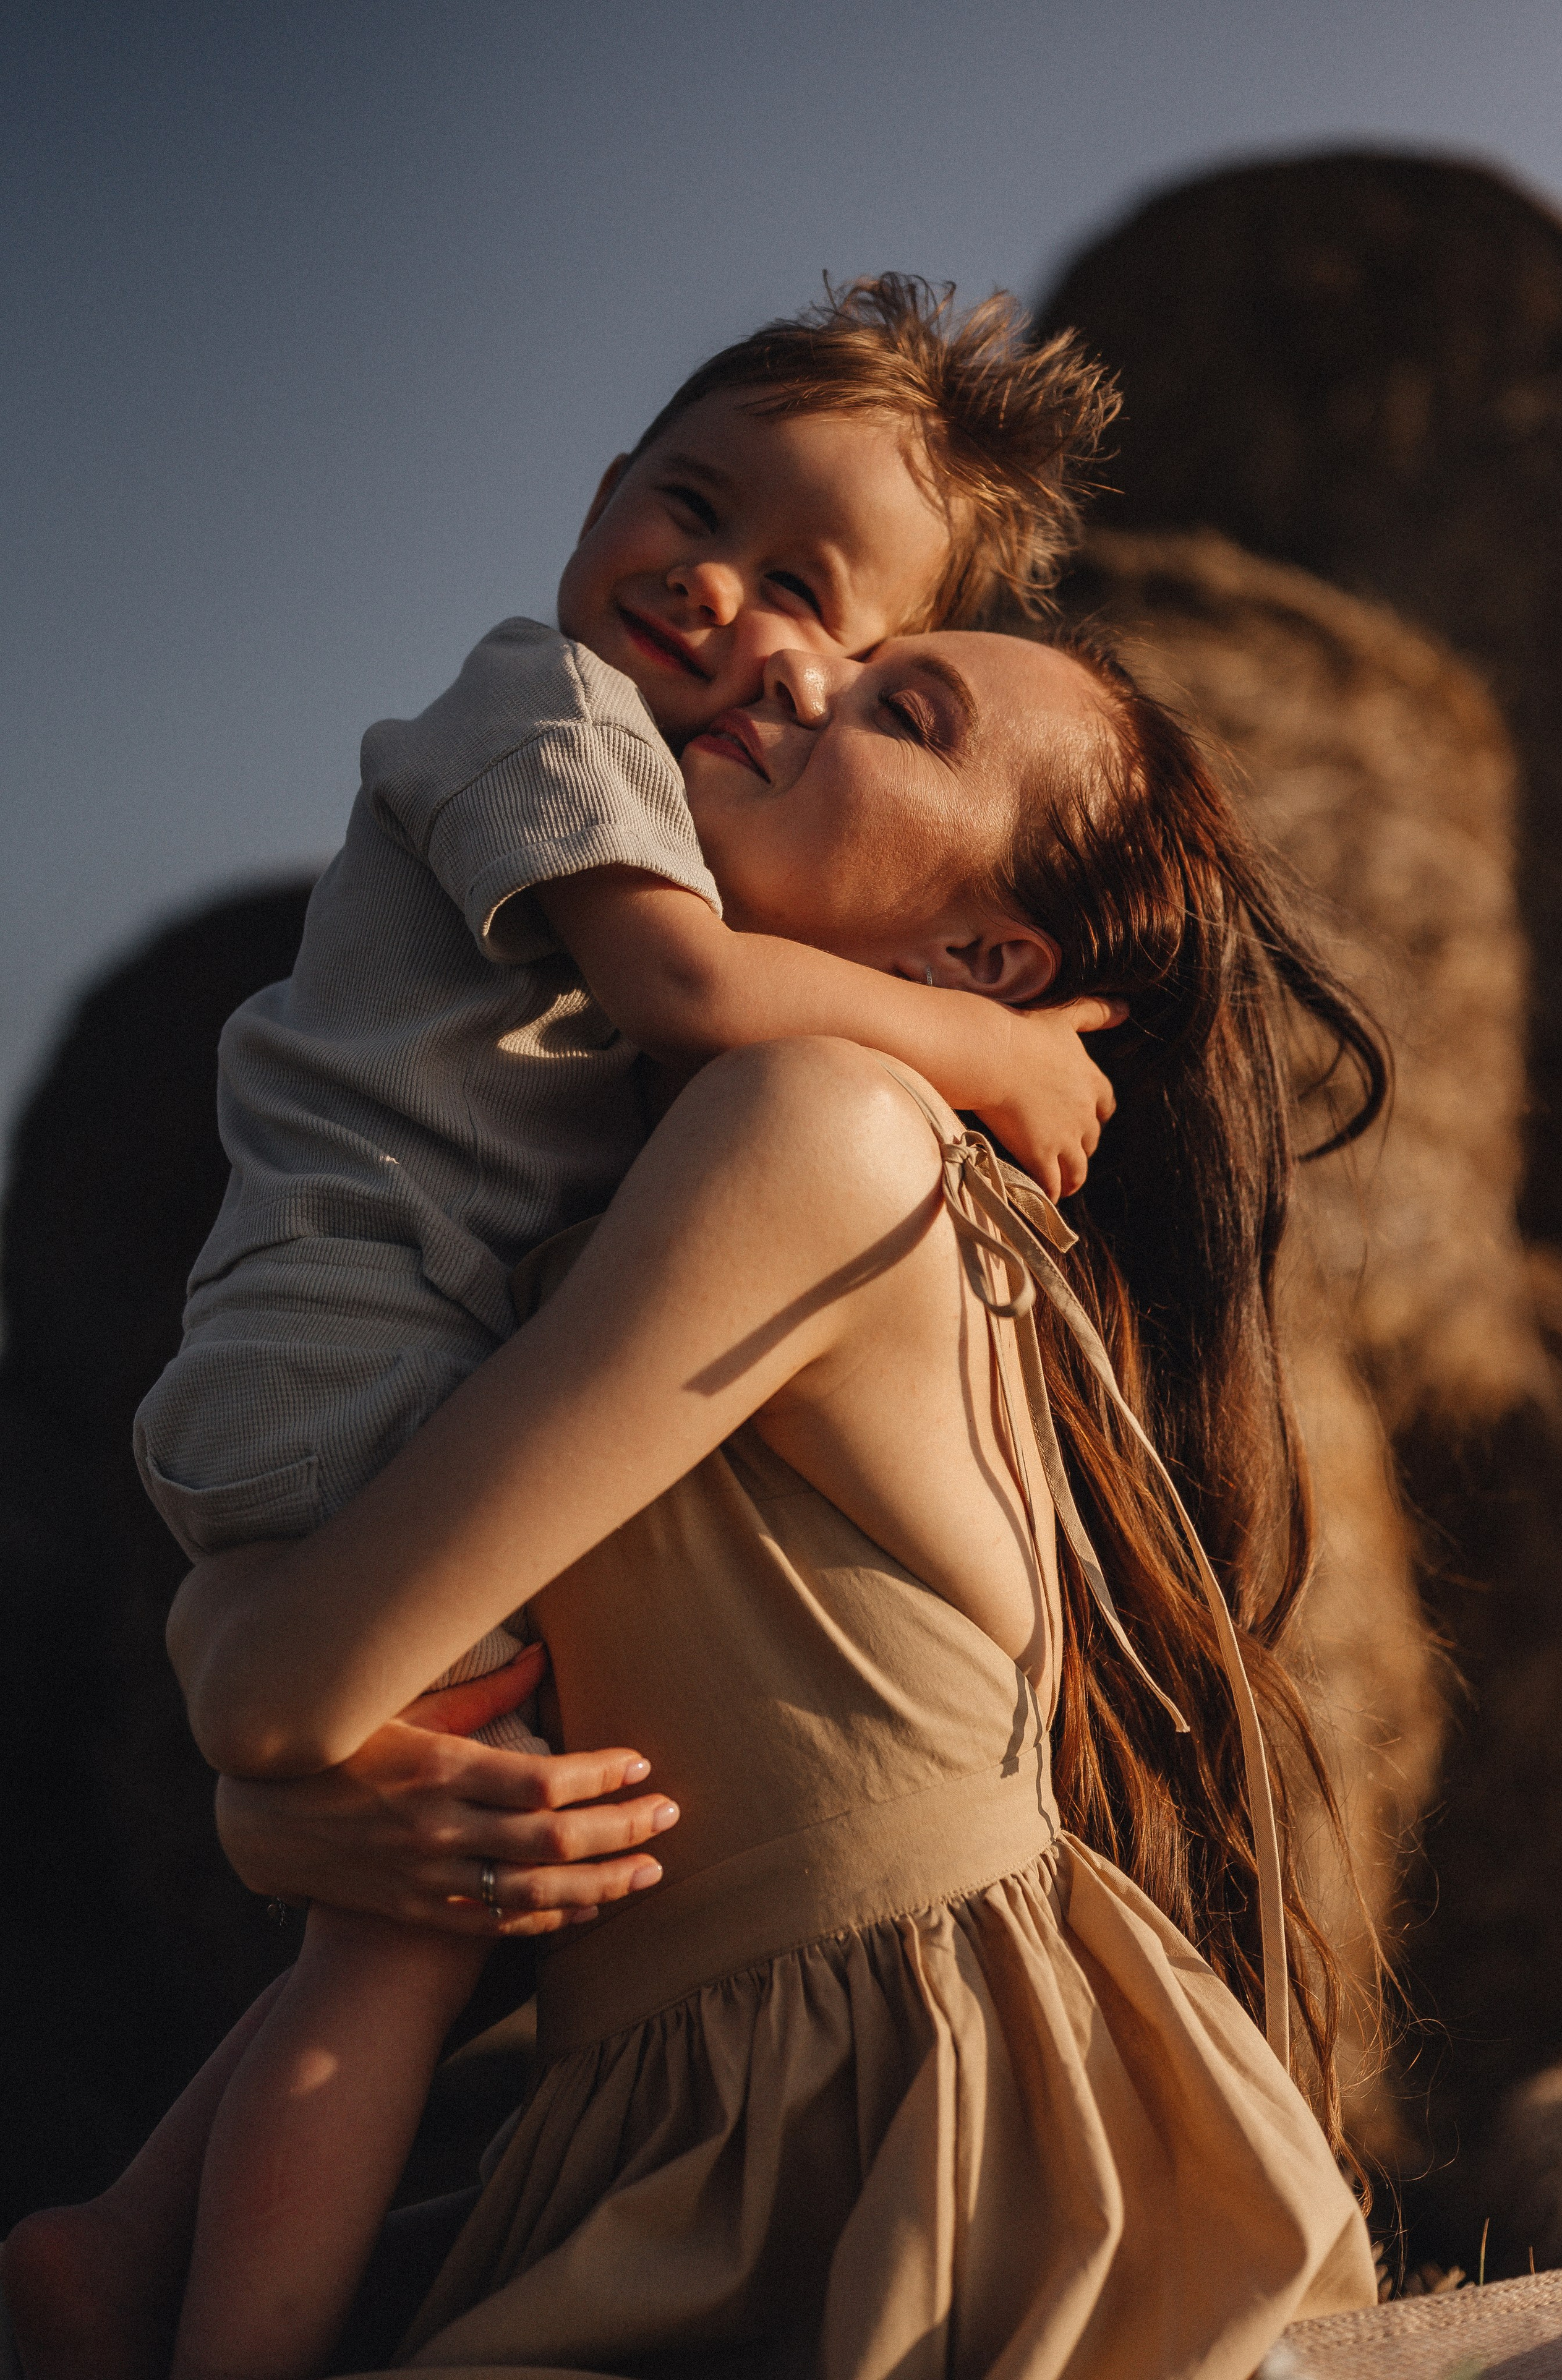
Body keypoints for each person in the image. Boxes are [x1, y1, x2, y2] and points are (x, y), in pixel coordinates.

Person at [6, 282, 1128, 2380]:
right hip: (358, 1344)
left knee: (409, 1915)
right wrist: (982, 1047)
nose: (721, 599)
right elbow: (694, 991)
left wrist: (275, 1748)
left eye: (814, 605)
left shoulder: (769, 1136)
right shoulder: (553, 718)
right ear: (602, 488)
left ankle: (121, 2254)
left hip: (346, 1360)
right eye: (690, 507)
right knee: (393, 1944)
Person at [62, 624, 1381, 2376]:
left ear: (981, 956)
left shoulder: (818, 1127)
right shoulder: (664, 1186)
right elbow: (589, 1784)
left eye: (893, 712)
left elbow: (282, 1683)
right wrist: (320, 1779)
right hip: (682, 2122)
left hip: (890, 2152)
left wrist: (277, 1772)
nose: (782, 671)